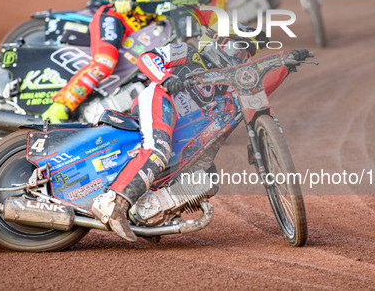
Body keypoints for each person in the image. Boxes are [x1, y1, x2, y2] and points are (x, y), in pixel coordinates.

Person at [91, 24, 267, 242]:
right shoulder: (189, 52)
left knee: (206, 178)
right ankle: (113, 203)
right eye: (233, 48)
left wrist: (286, 64)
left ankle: (148, 213)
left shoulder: (229, 84)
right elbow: (147, 58)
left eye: (243, 54)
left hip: (181, 129)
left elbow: (263, 89)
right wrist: (165, 78)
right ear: (218, 42)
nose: (237, 57)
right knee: (158, 149)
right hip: (160, 98)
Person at [41, 0, 217, 123]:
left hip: (141, 37)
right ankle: (58, 109)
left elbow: (209, 3)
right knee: (105, 62)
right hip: (115, 18)